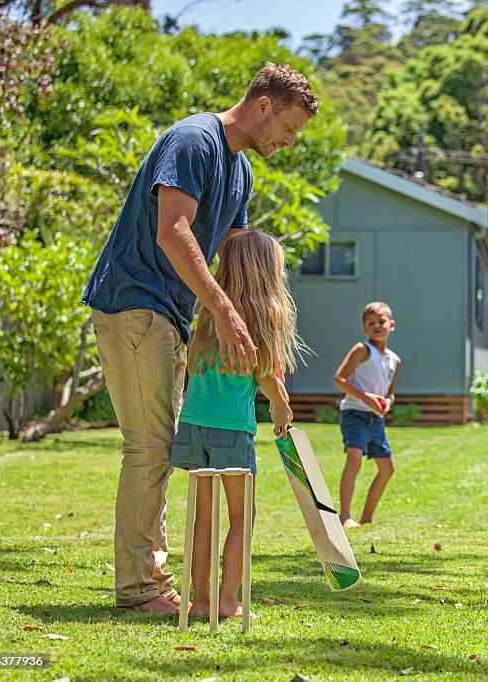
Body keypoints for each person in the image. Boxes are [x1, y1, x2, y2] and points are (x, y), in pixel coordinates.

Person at [81, 63, 319, 614]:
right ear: (263, 106)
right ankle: (140, 589)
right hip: (134, 301)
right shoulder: (193, 140)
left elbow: (235, 262)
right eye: (288, 128)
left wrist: (264, 334)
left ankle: (157, 582)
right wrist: (223, 310)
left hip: (171, 315)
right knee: (150, 448)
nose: (288, 142)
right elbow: (173, 231)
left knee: (158, 447)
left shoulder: (240, 172)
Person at [171, 230, 301, 618]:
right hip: (232, 431)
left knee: (203, 518)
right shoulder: (262, 313)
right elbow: (264, 375)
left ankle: (200, 602)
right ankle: (228, 602)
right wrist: (280, 407)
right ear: (266, 272)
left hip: (193, 425)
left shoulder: (209, 312)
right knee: (242, 516)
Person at [334, 302, 401, 528]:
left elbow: (390, 393)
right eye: (370, 323)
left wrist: (386, 403)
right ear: (364, 328)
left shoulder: (394, 360)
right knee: (354, 458)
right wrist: (367, 399)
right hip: (355, 413)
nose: (376, 326)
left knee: (387, 468)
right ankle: (344, 517)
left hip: (376, 418)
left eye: (381, 322)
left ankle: (367, 518)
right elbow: (339, 379)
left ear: (391, 325)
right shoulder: (362, 350)